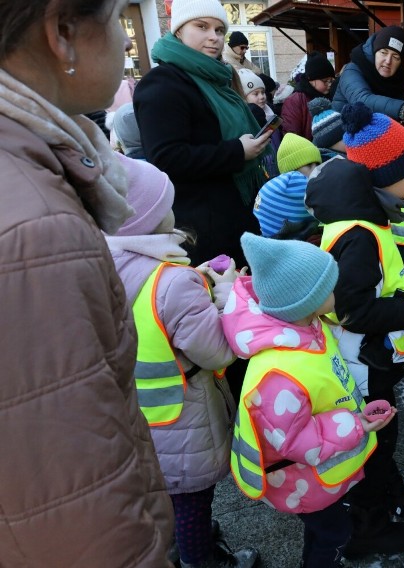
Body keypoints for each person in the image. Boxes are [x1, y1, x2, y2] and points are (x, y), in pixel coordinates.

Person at [0, 0, 173, 564]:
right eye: (120, 18)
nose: (128, 41)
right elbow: (76, 507)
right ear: (63, 31)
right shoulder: (39, 230)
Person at [106, 154, 258, 568]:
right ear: (154, 216)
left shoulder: (100, 266)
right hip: (181, 418)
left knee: (164, 495)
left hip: (133, 414)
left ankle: (177, 546)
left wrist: (195, 284)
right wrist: (226, 295)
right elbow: (218, 350)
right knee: (193, 500)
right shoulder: (173, 282)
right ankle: (198, 559)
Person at [304, 102, 404, 556]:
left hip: (372, 358)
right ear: (385, 176)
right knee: (373, 442)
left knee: (384, 436)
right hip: (364, 363)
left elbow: (374, 275)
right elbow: (355, 310)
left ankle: (389, 491)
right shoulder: (361, 232)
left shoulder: (366, 215)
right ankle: (367, 528)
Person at [226, 233, 396, 567]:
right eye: (329, 288)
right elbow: (295, 440)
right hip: (303, 480)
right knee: (334, 534)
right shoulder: (279, 375)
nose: (337, 289)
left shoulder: (308, 327)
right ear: (307, 303)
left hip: (316, 473)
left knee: (325, 530)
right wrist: (356, 424)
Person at [134, 0, 272, 268]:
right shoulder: (163, 83)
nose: (214, 37)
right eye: (202, 26)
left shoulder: (215, 78)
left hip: (233, 215)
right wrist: (237, 152)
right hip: (203, 228)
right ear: (178, 31)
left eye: (219, 30)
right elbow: (167, 158)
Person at [332, 25, 404, 145]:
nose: (388, 61)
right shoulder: (352, 69)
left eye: (395, 57)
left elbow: (391, 119)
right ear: (374, 52)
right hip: (341, 136)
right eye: (383, 53)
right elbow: (361, 99)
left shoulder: (400, 77)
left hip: (372, 135)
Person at [281, 51, 335, 140]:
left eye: (331, 80)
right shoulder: (295, 101)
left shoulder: (332, 95)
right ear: (311, 79)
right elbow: (292, 136)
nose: (329, 84)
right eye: (325, 81)